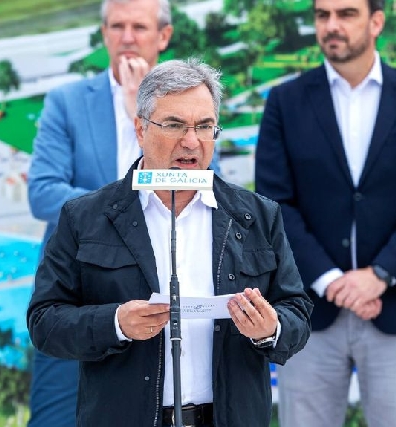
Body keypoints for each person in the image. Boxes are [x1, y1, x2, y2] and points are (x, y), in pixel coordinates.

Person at [27, 58, 312, 427]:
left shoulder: (257, 215)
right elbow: (45, 323)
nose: (191, 141)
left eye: (205, 126)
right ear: (140, 129)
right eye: (174, 125)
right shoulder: (85, 217)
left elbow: (297, 314)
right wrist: (115, 323)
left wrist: (269, 329)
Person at [255, 0, 396, 426]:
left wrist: (380, 275)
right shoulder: (284, 101)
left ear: (377, 22)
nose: (332, 25)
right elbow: (275, 204)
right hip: (309, 313)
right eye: (322, 15)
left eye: (346, 13)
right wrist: (333, 282)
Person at [27, 0, 177, 425]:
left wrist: (141, 108)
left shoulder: (188, 107)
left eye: (139, 27)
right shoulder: (67, 102)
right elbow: (42, 194)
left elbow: (199, 188)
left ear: (163, 36)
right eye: (117, 26)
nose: (127, 37)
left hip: (159, 300)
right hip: (75, 298)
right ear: (104, 32)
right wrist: (126, 213)